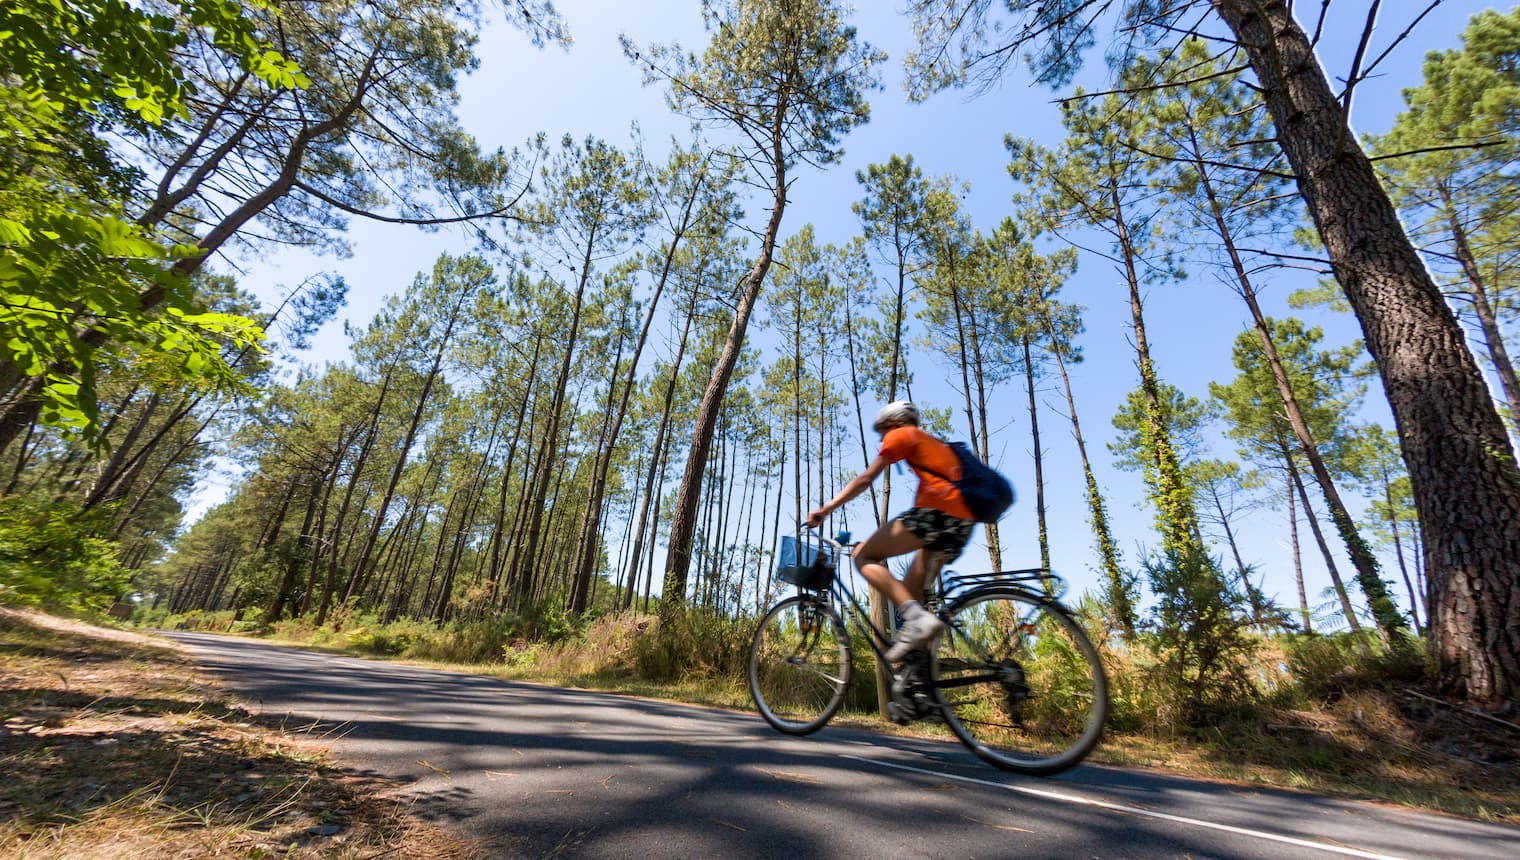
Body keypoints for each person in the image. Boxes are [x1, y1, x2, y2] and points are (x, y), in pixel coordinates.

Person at [805, 400, 977, 662]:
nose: (883, 439)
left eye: (883, 432)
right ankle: (918, 684)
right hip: (963, 520)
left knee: (863, 556)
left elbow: (865, 479)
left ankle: (918, 622)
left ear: (893, 424)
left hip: (936, 512)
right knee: (909, 592)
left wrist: (826, 509)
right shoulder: (934, 444)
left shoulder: (902, 434)